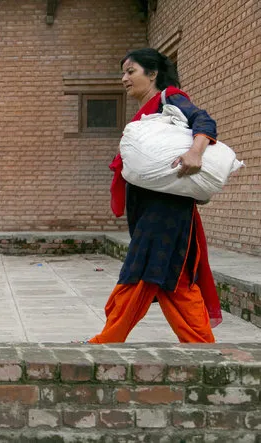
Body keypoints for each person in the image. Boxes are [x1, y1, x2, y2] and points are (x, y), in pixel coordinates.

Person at [88, 48, 222, 344]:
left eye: (130, 71)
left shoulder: (170, 99)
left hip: (166, 210)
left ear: (153, 74)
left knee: (140, 272)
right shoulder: (147, 111)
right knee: (174, 279)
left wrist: (195, 152)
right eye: (123, 72)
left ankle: (106, 341)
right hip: (153, 209)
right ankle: (201, 345)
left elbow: (204, 121)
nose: (124, 78)